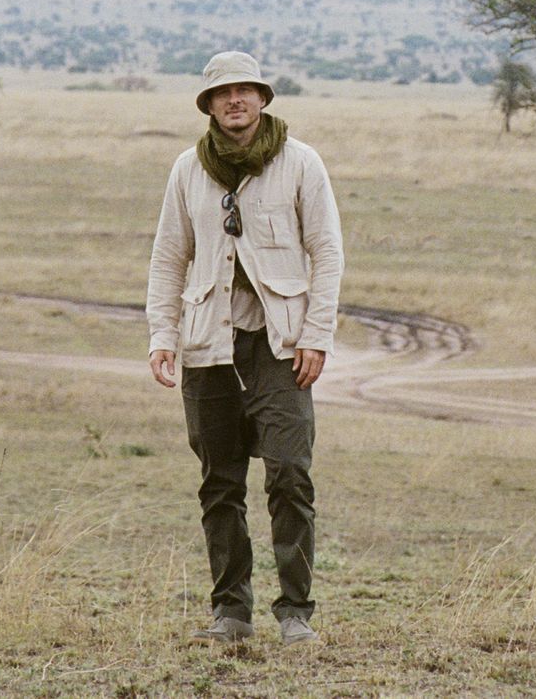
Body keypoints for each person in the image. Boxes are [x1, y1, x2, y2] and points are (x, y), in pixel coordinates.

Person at [147, 51, 345, 645]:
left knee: (290, 475)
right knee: (219, 483)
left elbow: (327, 251)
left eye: (245, 90)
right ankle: (231, 613)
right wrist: (163, 335)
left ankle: (295, 613)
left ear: (262, 98)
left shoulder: (301, 162)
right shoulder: (188, 169)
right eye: (222, 92)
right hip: (209, 344)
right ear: (208, 104)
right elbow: (168, 257)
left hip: (281, 346)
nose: (234, 100)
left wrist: (317, 335)